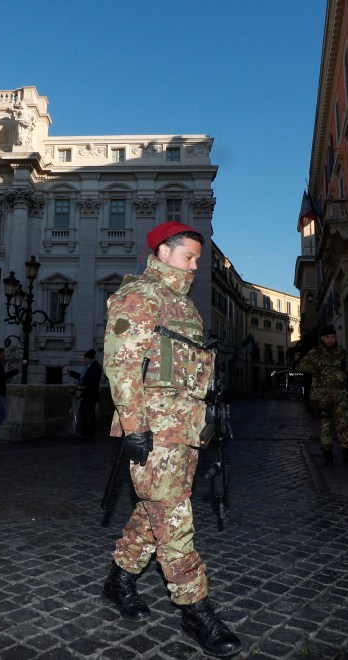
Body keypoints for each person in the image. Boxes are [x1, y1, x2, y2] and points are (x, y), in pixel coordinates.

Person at [101, 221, 241, 658]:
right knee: (175, 520)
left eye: (198, 259)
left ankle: (118, 580)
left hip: (186, 428)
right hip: (156, 430)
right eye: (190, 257)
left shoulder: (182, 304)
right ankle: (194, 608)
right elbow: (121, 366)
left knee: (154, 509)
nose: (197, 265)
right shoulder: (140, 295)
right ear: (164, 252)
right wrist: (136, 426)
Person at [296, 324, 348, 466]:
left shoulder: (342, 353)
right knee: (325, 425)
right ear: (322, 339)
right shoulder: (316, 353)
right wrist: (317, 369)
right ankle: (327, 453)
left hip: (340, 396)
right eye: (328, 338)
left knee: (343, 424)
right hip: (322, 396)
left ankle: (347, 452)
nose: (331, 340)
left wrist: (347, 368)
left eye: (332, 337)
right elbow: (301, 365)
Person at [68, 349, 103, 440]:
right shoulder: (90, 366)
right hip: (86, 394)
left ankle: (89, 434)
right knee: (84, 413)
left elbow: (91, 382)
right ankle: (85, 432)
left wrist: (85, 392)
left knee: (89, 414)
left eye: (85, 358)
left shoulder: (94, 367)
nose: (84, 360)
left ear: (88, 358)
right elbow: (83, 378)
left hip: (89, 395)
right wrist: (72, 373)